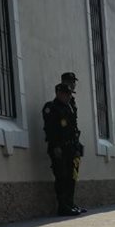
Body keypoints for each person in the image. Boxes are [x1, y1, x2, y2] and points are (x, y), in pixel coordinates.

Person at [42, 83, 83, 216]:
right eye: (67, 94)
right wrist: (56, 146)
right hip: (59, 147)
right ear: (59, 93)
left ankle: (70, 203)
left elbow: (73, 129)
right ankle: (63, 206)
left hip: (71, 147)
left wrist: (77, 146)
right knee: (62, 176)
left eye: (70, 94)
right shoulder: (51, 108)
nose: (69, 96)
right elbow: (51, 130)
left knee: (72, 177)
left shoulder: (69, 108)